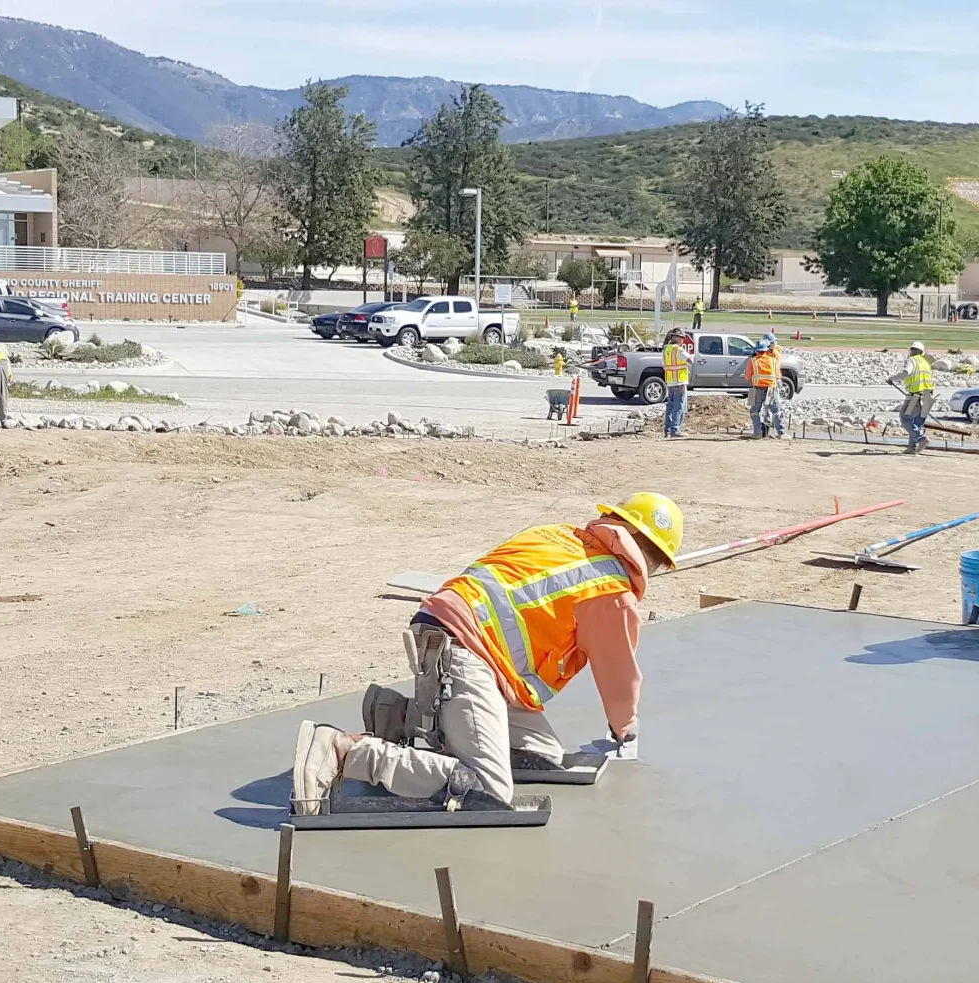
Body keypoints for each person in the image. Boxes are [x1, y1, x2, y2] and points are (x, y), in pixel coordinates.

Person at [293, 494, 684, 813]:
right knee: (489, 789)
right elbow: (618, 674)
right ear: (648, 556)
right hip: (467, 653)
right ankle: (344, 752)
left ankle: (397, 716)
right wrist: (624, 730)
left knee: (542, 754)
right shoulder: (612, 591)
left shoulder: (557, 535)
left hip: (446, 631)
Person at [891, 341, 933, 454]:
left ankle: (921, 438)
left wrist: (892, 379)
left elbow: (906, 372)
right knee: (917, 423)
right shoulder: (925, 363)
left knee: (905, 419)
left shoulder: (911, 361)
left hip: (915, 397)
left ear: (912, 350)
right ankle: (912, 447)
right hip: (927, 397)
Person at [746, 334, 785, 438]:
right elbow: (777, 375)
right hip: (771, 388)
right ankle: (781, 433)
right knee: (776, 411)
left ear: (757, 350)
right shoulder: (773, 360)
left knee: (754, 411)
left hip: (756, 389)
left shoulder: (752, 360)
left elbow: (747, 376)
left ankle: (757, 433)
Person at [660, 330, 691, 438]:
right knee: (678, 407)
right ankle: (675, 430)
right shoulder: (678, 350)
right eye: (682, 338)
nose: (683, 340)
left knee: (670, 406)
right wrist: (691, 356)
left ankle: (667, 430)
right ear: (678, 338)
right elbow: (690, 360)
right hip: (680, 382)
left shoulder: (666, 349)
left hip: (670, 381)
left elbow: (664, 364)